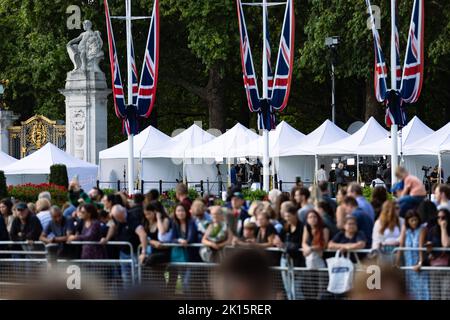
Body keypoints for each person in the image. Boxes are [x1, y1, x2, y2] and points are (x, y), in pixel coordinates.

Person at [102, 204, 148, 284]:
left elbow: (142, 234)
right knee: (125, 277)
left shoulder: (132, 218)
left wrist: (143, 252)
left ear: (123, 213)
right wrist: (107, 238)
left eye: (119, 217)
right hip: (123, 253)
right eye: (116, 218)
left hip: (134, 252)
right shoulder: (116, 218)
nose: (118, 220)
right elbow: (113, 226)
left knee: (136, 277)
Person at [397, 210, 430, 300]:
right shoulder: (405, 229)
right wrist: (396, 262)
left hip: (418, 265)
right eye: (412, 220)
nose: (414, 222)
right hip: (409, 266)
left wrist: (420, 263)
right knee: (410, 290)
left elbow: (420, 247)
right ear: (407, 221)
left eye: (416, 220)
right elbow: (401, 244)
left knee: (422, 290)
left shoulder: (422, 229)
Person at [424, 208, 450, 299]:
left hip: (447, 268)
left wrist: (443, 229)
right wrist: (429, 251)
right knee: (435, 295)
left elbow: (446, 244)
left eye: (443, 217)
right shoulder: (432, 230)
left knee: (446, 294)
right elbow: (427, 247)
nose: (441, 220)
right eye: (438, 217)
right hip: (434, 266)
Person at [142, 201, 171, 266]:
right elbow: (144, 237)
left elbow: (162, 231)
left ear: (155, 212)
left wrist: (158, 218)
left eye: (149, 214)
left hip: (163, 252)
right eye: (145, 214)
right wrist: (151, 242)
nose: (147, 216)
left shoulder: (164, 220)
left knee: (151, 259)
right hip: (152, 251)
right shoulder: (146, 223)